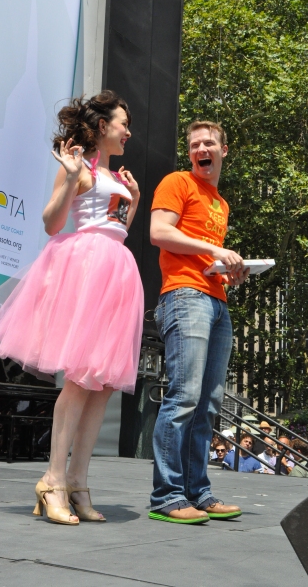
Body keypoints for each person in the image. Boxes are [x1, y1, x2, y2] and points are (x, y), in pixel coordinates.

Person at [0, 91, 144, 525]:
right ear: (102, 126)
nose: (128, 131)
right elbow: (52, 223)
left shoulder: (116, 176)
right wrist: (70, 177)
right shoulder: (80, 169)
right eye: (122, 122)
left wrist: (135, 202)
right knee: (79, 380)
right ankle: (53, 480)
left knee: (103, 384)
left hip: (116, 271)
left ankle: (77, 481)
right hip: (88, 270)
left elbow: (117, 230)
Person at [149, 120, 249, 524]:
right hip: (184, 296)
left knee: (208, 403)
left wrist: (229, 269)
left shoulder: (219, 204)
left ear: (225, 150)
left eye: (208, 143)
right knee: (184, 396)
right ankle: (167, 497)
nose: (200, 148)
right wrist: (215, 249)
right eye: (194, 144)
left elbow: (204, 257)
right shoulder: (177, 182)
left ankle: (198, 492)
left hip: (216, 300)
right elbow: (159, 232)